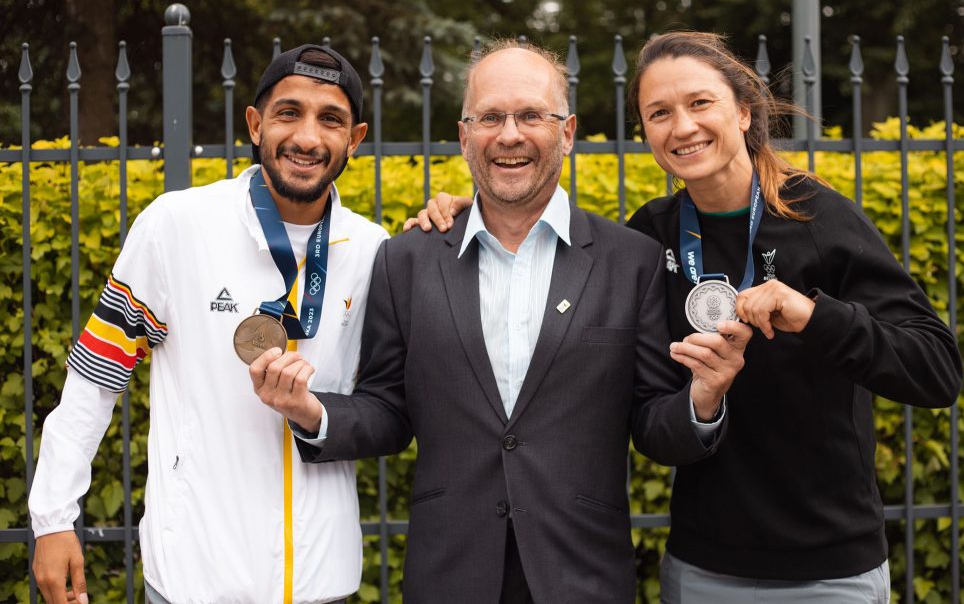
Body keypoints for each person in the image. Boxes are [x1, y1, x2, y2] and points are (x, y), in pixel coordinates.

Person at [410, 31, 963, 603]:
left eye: (701, 103)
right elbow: (645, 407)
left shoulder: (819, 219)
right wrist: (468, 210)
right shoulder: (649, 234)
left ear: (744, 112)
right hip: (701, 566)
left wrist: (814, 314)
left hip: (828, 571)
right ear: (646, 132)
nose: (682, 126)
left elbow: (935, 369)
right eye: (659, 113)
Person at [250, 38, 752, 603]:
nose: (509, 135)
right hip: (449, 576)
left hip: (582, 577)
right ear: (465, 137)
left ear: (566, 132)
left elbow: (653, 423)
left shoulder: (629, 260)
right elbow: (388, 410)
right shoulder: (407, 258)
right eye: (490, 117)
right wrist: (310, 411)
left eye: (532, 115)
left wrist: (702, 400)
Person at [28, 44, 387, 604]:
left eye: (331, 119)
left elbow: (387, 403)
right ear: (255, 123)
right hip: (193, 579)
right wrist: (52, 517)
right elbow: (95, 379)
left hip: (323, 581)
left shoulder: (373, 250)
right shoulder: (177, 225)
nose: (308, 138)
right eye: (288, 112)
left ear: (355, 139)